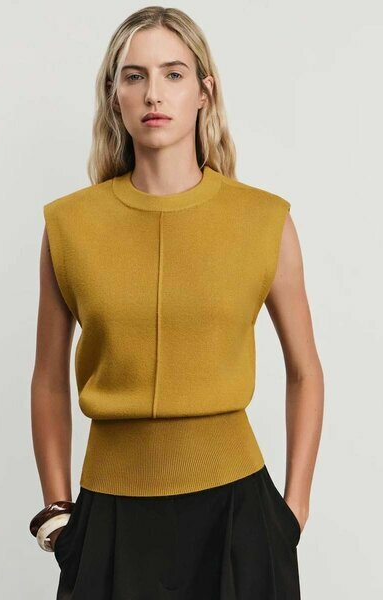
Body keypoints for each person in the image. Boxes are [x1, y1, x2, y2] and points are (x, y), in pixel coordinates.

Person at [29, 6, 324, 599]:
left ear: (204, 93)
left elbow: (305, 371)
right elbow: (48, 378)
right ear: (114, 95)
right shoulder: (70, 225)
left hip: (238, 516)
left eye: (173, 73)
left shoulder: (264, 220)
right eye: (134, 76)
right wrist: (57, 516)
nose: (153, 93)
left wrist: (292, 512)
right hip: (108, 517)